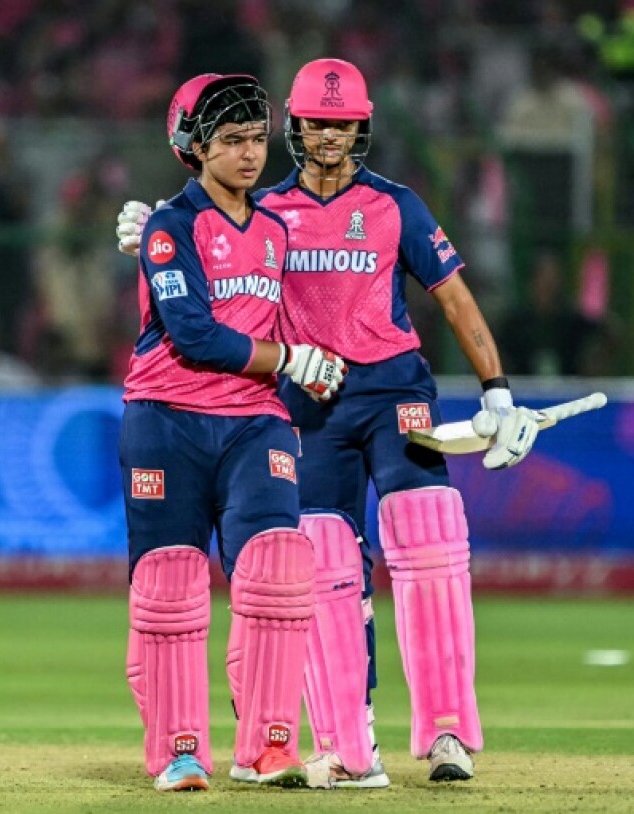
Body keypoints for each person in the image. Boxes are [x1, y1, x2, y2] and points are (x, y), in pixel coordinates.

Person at [116, 58, 542, 788]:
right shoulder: (267, 209)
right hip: (304, 398)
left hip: (389, 387)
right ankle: (346, 749)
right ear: (298, 124)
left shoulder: (395, 205)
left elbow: (456, 299)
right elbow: (211, 259)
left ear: (362, 126)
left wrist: (496, 390)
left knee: (429, 539)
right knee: (316, 566)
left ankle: (446, 732)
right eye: (317, 121)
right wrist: (158, 235)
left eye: (344, 123)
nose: (330, 135)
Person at [119, 72, 347, 793]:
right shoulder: (170, 228)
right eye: (230, 141)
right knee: (171, 583)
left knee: (281, 563)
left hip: (255, 420)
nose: (250, 155)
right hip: (166, 417)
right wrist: (289, 357)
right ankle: (180, 752)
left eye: (255, 138)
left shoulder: (275, 230)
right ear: (193, 147)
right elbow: (192, 335)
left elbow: (282, 331)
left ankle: (270, 747)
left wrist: (310, 369)